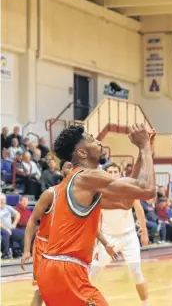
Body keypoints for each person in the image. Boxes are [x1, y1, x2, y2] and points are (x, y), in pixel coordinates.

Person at [36, 124, 156, 306]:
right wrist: (145, 147)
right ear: (82, 153)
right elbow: (147, 190)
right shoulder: (88, 176)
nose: (99, 142)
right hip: (67, 271)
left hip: (55, 270)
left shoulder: (79, 181)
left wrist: (142, 152)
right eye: (92, 139)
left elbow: (126, 202)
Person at [89, 162, 151, 306]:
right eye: (109, 171)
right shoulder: (100, 193)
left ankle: (146, 304)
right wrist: (95, 240)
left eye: (115, 171)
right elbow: (97, 218)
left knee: (136, 271)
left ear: (120, 173)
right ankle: (82, 301)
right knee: (93, 273)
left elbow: (139, 210)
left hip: (129, 236)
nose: (113, 174)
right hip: (108, 238)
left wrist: (144, 232)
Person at [20, 162, 79, 306]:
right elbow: (32, 220)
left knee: (66, 292)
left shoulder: (80, 197)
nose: (71, 169)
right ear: (61, 171)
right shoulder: (51, 193)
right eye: (68, 166)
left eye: (74, 167)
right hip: (45, 248)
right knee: (40, 291)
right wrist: (27, 250)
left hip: (65, 248)